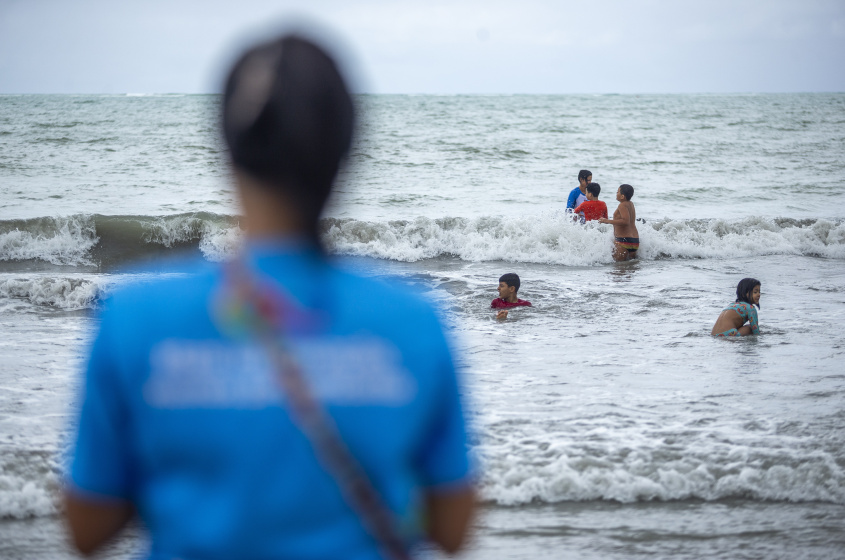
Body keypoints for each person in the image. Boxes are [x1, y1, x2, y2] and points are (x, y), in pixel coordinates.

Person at [64, 33, 475, 560]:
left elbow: (88, 526)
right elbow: (452, 527)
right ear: (346, 149)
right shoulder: (415, 319)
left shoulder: (134, 317)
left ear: (226, 145)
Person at [598, 184, 639, 261]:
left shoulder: (622, 205)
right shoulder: (631, 204)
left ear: (622, 196)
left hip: (624, 240)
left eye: (618, 192)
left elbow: (625, 221)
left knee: (618, 268)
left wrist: (606, 221)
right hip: (635, 241)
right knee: (630, 268)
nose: (616, 193)